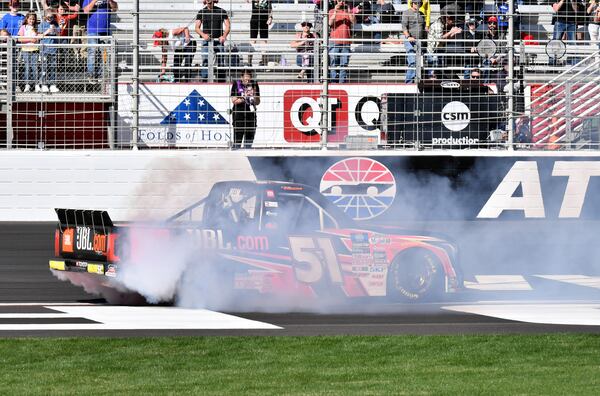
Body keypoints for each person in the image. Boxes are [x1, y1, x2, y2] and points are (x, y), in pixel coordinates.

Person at [83, 0, 118, 82]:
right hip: (92, 30)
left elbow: (115, 8)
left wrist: (110, 1)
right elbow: (85, 11)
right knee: (92, 52)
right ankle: (91, 74)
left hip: (105, 30)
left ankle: (101, 74)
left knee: (104, 53)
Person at [195, 0, 230, 81]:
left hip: (218, 41)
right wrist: (203, 35)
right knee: (205, 61)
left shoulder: (221, 11)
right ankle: (204, 80)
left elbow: (228, 26)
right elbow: (197, 28)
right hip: (206, 41)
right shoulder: (201, 12)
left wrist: (224, 36)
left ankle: (221, 81)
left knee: (221, 61)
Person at [427, 4, 462, 78]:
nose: (453, 21)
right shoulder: (438, 25)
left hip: (440, 50)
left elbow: (446, 39)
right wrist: (451, 32)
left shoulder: (444, 25)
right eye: (452, 18)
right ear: (446, 18)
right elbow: (440, 39)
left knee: (439, 72)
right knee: (433, 73)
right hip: (433, 51)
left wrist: (454, 33)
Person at [230, 69, 261, 149]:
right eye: (246, 77)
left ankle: (248, 150)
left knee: (249, 138)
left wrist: (254, 95)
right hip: (239, 114)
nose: (247, 79)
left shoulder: (254, 84)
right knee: (238, 138)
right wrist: (245, 97)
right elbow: (234, 100)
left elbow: (258, 102)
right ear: (241, 77)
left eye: (249, 77)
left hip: (251, 114)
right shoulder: (236, 84)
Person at [328, 0, 355, 83]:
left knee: (344, 63)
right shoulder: (331, 11)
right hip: (334, 41)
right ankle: (333, 82)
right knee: (333, 63)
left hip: (346, 41)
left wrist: (349, 11)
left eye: (343, 1)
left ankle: (342, 83)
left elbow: (354, 22)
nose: (341, 2)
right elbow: (330, 23)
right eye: (340, 0)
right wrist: (335, 11)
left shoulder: (349, 12)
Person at [401, 0, 425, 83]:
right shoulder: (406, 13)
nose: (418, 5)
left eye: (419, 3)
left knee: (420, 63)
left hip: (420, 41)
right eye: (416, 3)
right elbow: (404, 27)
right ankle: (408, 83)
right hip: (411, 41)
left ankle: (419, 82)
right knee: (412, 62)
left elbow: (424, 27)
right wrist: (408, 36)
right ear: (412, 3)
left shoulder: (421, 14)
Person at [38, 8, 61, 93]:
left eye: (51, 17)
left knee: (53, 67)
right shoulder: (42, 24)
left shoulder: (56, 24)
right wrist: (47, 31)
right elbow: (39, 36)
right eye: (48, 17)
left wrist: (54, 29)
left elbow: (59, 35)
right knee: (44, 67)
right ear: (45, 17)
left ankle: (53, 84)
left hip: (53, 49)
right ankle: (44, 84)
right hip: (44, 49)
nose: (50, 18)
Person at [18, 12, 40, 93]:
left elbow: (39, 37)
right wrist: (30, 39)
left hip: (34, 50)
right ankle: (27, 85)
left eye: (33, 19)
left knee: (35, 68)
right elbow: (19, 39)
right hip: (25, 50)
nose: (32, 20)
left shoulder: (36, 27)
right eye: (30, 19)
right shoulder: (23, 27)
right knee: (27, 68)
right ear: (27, 19)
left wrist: (37, 39)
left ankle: (37, 85)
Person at [248, 0, 272, 66]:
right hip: (254, 20)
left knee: (264, 41)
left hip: (264, 20)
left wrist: (270, 17)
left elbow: (270, 8)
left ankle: (264, 61)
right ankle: (249, 62)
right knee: (253, 41)